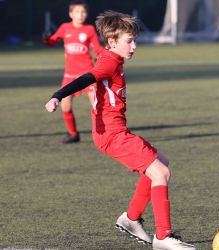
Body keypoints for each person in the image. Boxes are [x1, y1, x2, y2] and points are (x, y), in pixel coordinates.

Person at [45, 10, 195, 250]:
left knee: (161, 163)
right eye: (129, 41)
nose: (134, 46)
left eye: (135, 40)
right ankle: (163, 237)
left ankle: (131, 219)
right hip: (111, 136)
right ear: (113, 41)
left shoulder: (112, 57)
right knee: (161, 173)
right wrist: (58, 95)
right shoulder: (109, 61)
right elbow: (87, 78)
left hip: (116, 132)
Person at [43, 0, 103, 144]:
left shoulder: (89, 29)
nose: (80, 15)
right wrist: (46, 39)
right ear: (70, 13)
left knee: (97, 104)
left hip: (88, 74)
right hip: (69, 74)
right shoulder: (65, 28)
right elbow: (52, 41)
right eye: (77, 12)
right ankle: (73, 134)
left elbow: (97, 48)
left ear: (86, 14)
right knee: (65, 105)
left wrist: (106, 55)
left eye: (83, 12)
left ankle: (103, 134)